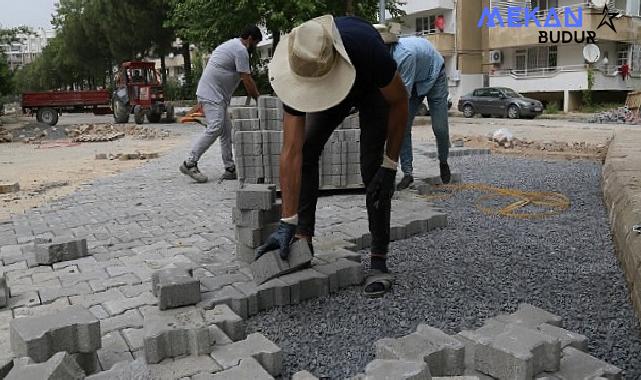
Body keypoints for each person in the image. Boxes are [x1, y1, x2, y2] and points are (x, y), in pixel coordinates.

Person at [256, 15, 409, 298]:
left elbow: (400, 102)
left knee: (372, 170)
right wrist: (286, 220)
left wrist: (390, 165)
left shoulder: (369, 50)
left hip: (369, 87)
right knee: (308, 150)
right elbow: (291, 153)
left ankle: (378, 260)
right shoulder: (300, 61)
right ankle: (302, 237)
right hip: (327, 78)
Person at [179, 25, 262, 183]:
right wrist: (260, 99)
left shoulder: (233, 45)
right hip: (212, 94)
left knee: (225, 131)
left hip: (217, 96)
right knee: (216, 127)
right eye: (256, 44)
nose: (255, 47)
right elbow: (246, 78)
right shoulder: (240, 50)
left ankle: (230, 168)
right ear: (250, 39)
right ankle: (189, 162)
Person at [376, 24, 451, 190]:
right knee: (402, 126)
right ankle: (408, 174)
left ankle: (443, 161)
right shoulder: (379, 57)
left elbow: (401, 98)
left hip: (435, 75)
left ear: (386, 46)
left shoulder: (404, 56)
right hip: (416, 80)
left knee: (440, 128)